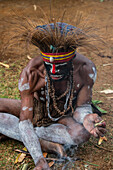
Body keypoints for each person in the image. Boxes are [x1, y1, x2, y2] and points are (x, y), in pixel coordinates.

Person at [0, 22, 106, 170]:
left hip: (66, 114)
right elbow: (25, 121)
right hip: (38, 109)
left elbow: (81, 107)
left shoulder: (85, 69)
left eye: (61, 66)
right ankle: (43, 143)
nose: (55, 70)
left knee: (81, 134)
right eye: (50, 66)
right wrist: (39, 158)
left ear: (71, 60)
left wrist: (86, 117)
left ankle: (25, 136)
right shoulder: (32, 72)